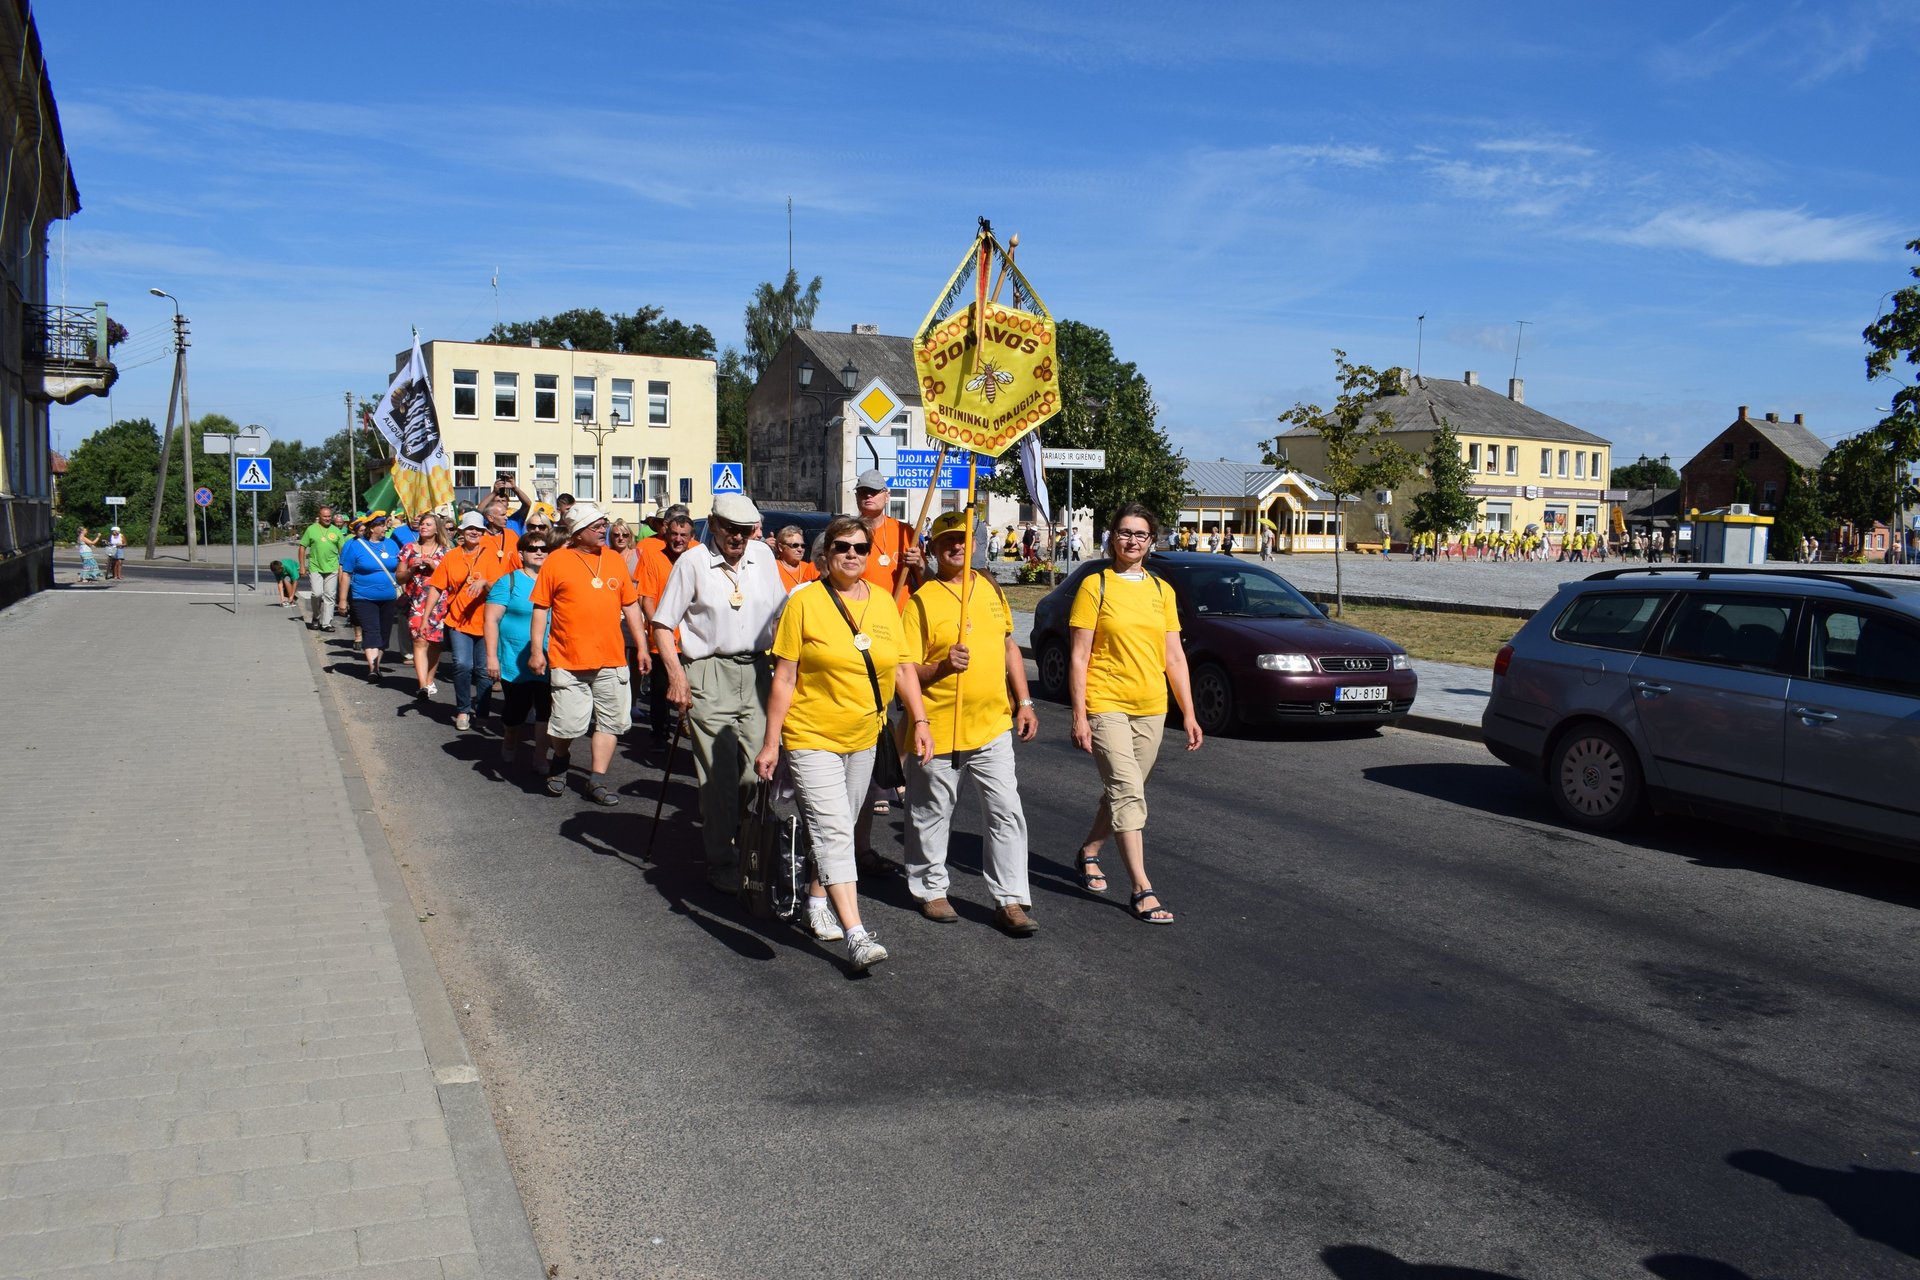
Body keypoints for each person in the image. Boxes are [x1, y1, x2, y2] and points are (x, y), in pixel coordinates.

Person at [756, 515, 933, 971]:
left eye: (859, 547)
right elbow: (785, 677)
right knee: (834, 830)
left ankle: (817, 900)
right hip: (811, 734)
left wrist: (920, 719)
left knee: (842, 824)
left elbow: (901, 668)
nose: (851, 554)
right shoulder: (805, 602)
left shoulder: (884, 602)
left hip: (864, 735)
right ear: (825, 554)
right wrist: (772, 742)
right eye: (841, 547)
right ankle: (856, 933)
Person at [901, 512, 1040, 935]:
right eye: (946, 542)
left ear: (974, 544)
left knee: (1006, 812)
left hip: (992, 725)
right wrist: (941, 667)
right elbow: (904, 670)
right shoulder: (922, 601)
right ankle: (930, 889)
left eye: (961, 539)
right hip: (938, 727)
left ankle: (1010, 900)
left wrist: (1025, 701)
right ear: (933, 549)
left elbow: (1008, 647)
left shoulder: (992, 589)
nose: (956, 547)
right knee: (931, 812)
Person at [1068, 503, 1202, 926]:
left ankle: (1090, 851)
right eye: (1123, 532)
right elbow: (1078, 657)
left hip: (1151, 708)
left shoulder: (1162, 591)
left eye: (1140, 534)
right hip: (1106, 703)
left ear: (1151, 541)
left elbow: (1175, 657)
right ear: (1111, 537)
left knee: (1124, 790)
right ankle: (1142, 888)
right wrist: (1078, 715)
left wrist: (1190, 712)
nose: (1131, 540)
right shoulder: (1096, 586)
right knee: (1129, 792)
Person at [651, 493, 788, 892]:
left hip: (759, 670)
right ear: (712, 523)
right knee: (719, 775)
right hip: (709, 672)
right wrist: (676, 676)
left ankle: (748, 844)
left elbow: (781, 613)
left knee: (756, 770)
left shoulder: (762, 556)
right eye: (730, 529)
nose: (738, 538)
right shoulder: (693, 562)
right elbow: (663, 625)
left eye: (746, 531)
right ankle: (721, 858)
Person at [529, 503, 647, 806]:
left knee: (610, 722)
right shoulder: (557, 561)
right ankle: (562, 756)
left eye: (603, 523)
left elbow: (631, 605)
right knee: (566, 724)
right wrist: (535, 650)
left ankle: (597, 780)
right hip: (569, 659)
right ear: (578, 532)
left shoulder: (614, 560)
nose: (602, 528)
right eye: (596, 524)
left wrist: (642, 646)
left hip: (612, 658)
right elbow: (541, 608)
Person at [423, 511, 520, 731]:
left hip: (486, 622)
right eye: (470, 529)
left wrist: (484, 582)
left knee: (484, 670)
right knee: (462, 664)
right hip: (458, 620)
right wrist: (425, 617)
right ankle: (463, 710)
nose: (474, 532)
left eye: (478, 529)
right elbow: (437, 587)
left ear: (483, 533)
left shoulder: (489, 556)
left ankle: (483, 710)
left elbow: (499, 589)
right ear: (462, 532)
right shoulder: (451, 556)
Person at [484, 529, 554, 771]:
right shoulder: (509, 582)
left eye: (544, 549)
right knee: (517, 710)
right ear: (522, 553)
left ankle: (540, 756)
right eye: (533, 549)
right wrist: (492, 657)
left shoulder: (555, 579)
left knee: (546, 708)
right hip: (515, 659)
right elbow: (491, 620)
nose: (539, 553)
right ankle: (510, 738)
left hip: (551, 656)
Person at [636, 510, 696, 737]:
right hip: (664, 637)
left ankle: (686, 721)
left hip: (693, 636)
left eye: (683, 534)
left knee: (694, 686)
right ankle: (659, 733)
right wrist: (660, 629)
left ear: (691, 536)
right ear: (666, 534)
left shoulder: (699, 556)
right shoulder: (654, 558)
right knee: (662, 687)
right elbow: (647, 599)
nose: (678, 539)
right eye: (674, 534)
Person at [337, 513, 409, 679]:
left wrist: (406, 591)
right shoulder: (355, 546)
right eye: (383, 525)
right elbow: (346, 574)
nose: (386, 528)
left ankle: (376, 665)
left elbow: (400, 572)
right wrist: (342, 601)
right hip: (363, 597)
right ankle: (373, 668)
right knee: (371, 631)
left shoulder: (391, 544)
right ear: (371, 528)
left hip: (389, 597)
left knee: (384, 632)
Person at [400, 512, 451, 698]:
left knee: (435, 643)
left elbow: (452, 579)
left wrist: (435, 566)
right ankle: (422, 685)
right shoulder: (408, 549)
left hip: (439, 603)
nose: (423, 527)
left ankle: (429, 679)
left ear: (437, 529)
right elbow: (399, 577)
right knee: (419, 640)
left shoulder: (446, 552)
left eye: (428, 524)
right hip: (416, 601)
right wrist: (412, 568)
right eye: (422, 524)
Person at [853, 469, 923, 606]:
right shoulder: (849, 533)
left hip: (900, 617)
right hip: (863, 615)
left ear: (887, 496)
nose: (868, 495)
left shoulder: (905, 532)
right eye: (862, 491)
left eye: (874, 491)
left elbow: (925, 583)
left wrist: (920, 564)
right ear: (856, 497)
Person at [298, 504, 346, 632]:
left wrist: (344, 567)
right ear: (319, 516)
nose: (327, 518)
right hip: (315, 566)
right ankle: (316, 616)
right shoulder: (311, 529)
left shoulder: (336, 531)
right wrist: (302, 566)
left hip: (332, 567)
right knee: (317, 593)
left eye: (329, 516)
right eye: (325, 516)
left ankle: (326, 624)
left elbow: (343, 551)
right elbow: (302, 547)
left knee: (330, 596)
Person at [774, 523, 819, 592]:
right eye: (795, 545)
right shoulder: (773, 568)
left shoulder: (810, 568)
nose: (800, 549)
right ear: (780, 547)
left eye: (803, 546)